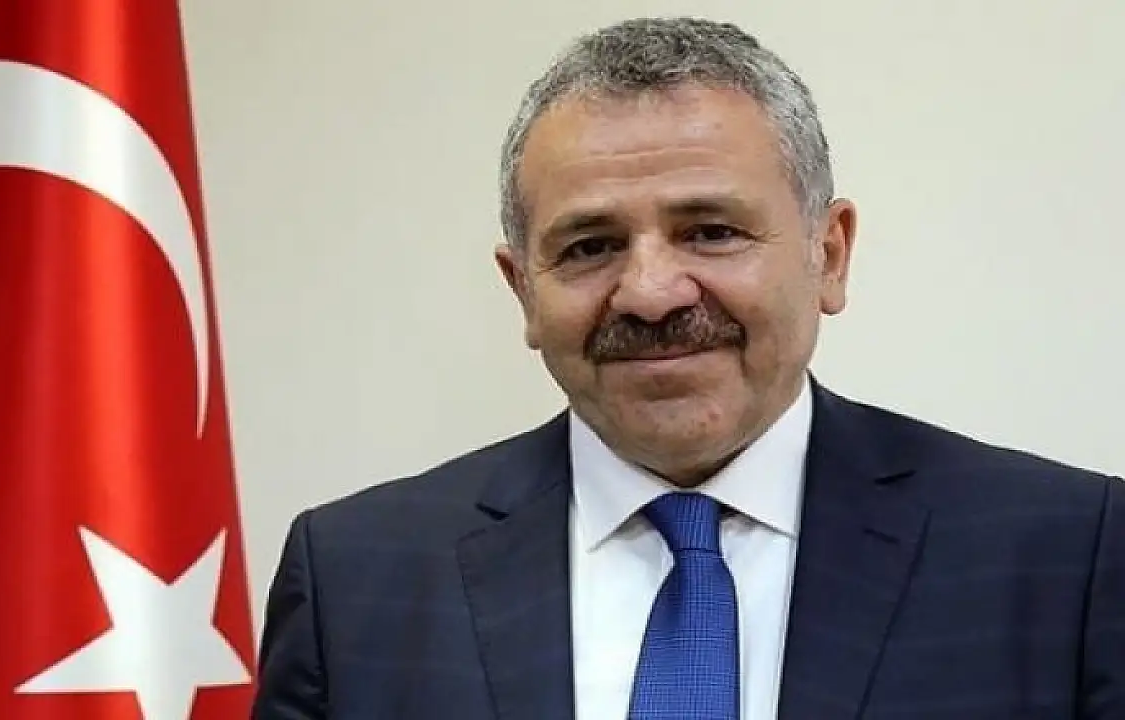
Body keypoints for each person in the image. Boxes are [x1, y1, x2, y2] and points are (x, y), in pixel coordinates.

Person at [250, 16, 1124, 720]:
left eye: (710, 231)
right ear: (523, 291)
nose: (650, 293)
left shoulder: (1065, 556)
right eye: (590, 246)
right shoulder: (357, 581)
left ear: (829, 255)